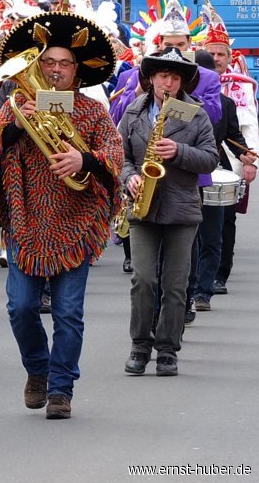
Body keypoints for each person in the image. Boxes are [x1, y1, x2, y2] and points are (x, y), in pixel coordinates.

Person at [0, 12, 123, 419]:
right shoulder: (16, 104)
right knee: (20, 307)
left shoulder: (93, 111)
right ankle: (38, 371)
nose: (56, 71)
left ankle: (61, 389)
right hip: (25, 219)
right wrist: (18, 127)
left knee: (68, 314)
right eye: (48, 63)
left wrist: (84, 158)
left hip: (76, 221)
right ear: (37, 66)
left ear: (77, 70)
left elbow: (115, 153)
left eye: (64, 64)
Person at [120, 48, 218, 377]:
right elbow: (121, 158)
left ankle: (167, 349)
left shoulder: (196, 114)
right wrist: (129, 177)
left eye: (175, 77)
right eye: (163, 75)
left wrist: (178, 151)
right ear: (150, 79)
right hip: (142, 206)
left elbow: (210, 159)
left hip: (181, 207)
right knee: (143, 280)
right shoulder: (133, 112)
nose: (168, 82)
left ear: (182, 83)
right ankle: (139, 345)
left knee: (175, 285)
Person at [204, 10, 259, 296]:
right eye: (210, 53)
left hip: (231, 161)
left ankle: (219, 273)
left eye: (220, 54)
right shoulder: (191, 82)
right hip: (197, 157)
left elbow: (248, 126)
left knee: (225, 218)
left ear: (229, 57)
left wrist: (250, 162)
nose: (215, 59)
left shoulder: (240, 86)